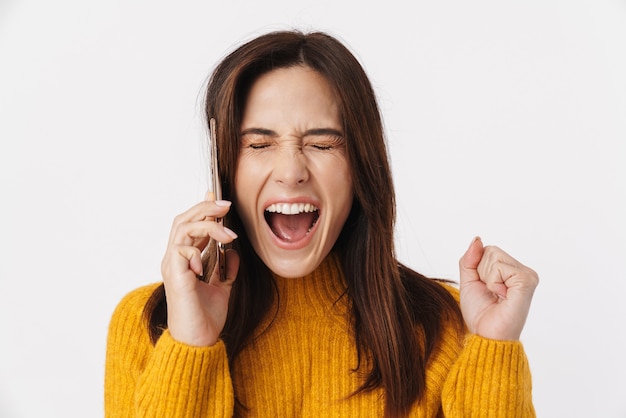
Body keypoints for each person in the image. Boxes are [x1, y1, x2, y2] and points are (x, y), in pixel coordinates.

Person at [105, 30, 538, 417]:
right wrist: (190, 345)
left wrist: (494, 349)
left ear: (361, 168)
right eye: (258, 143)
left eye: (322, 143)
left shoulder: (446, 325)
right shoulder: (149, 323)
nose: (291, 171)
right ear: (225, 170)